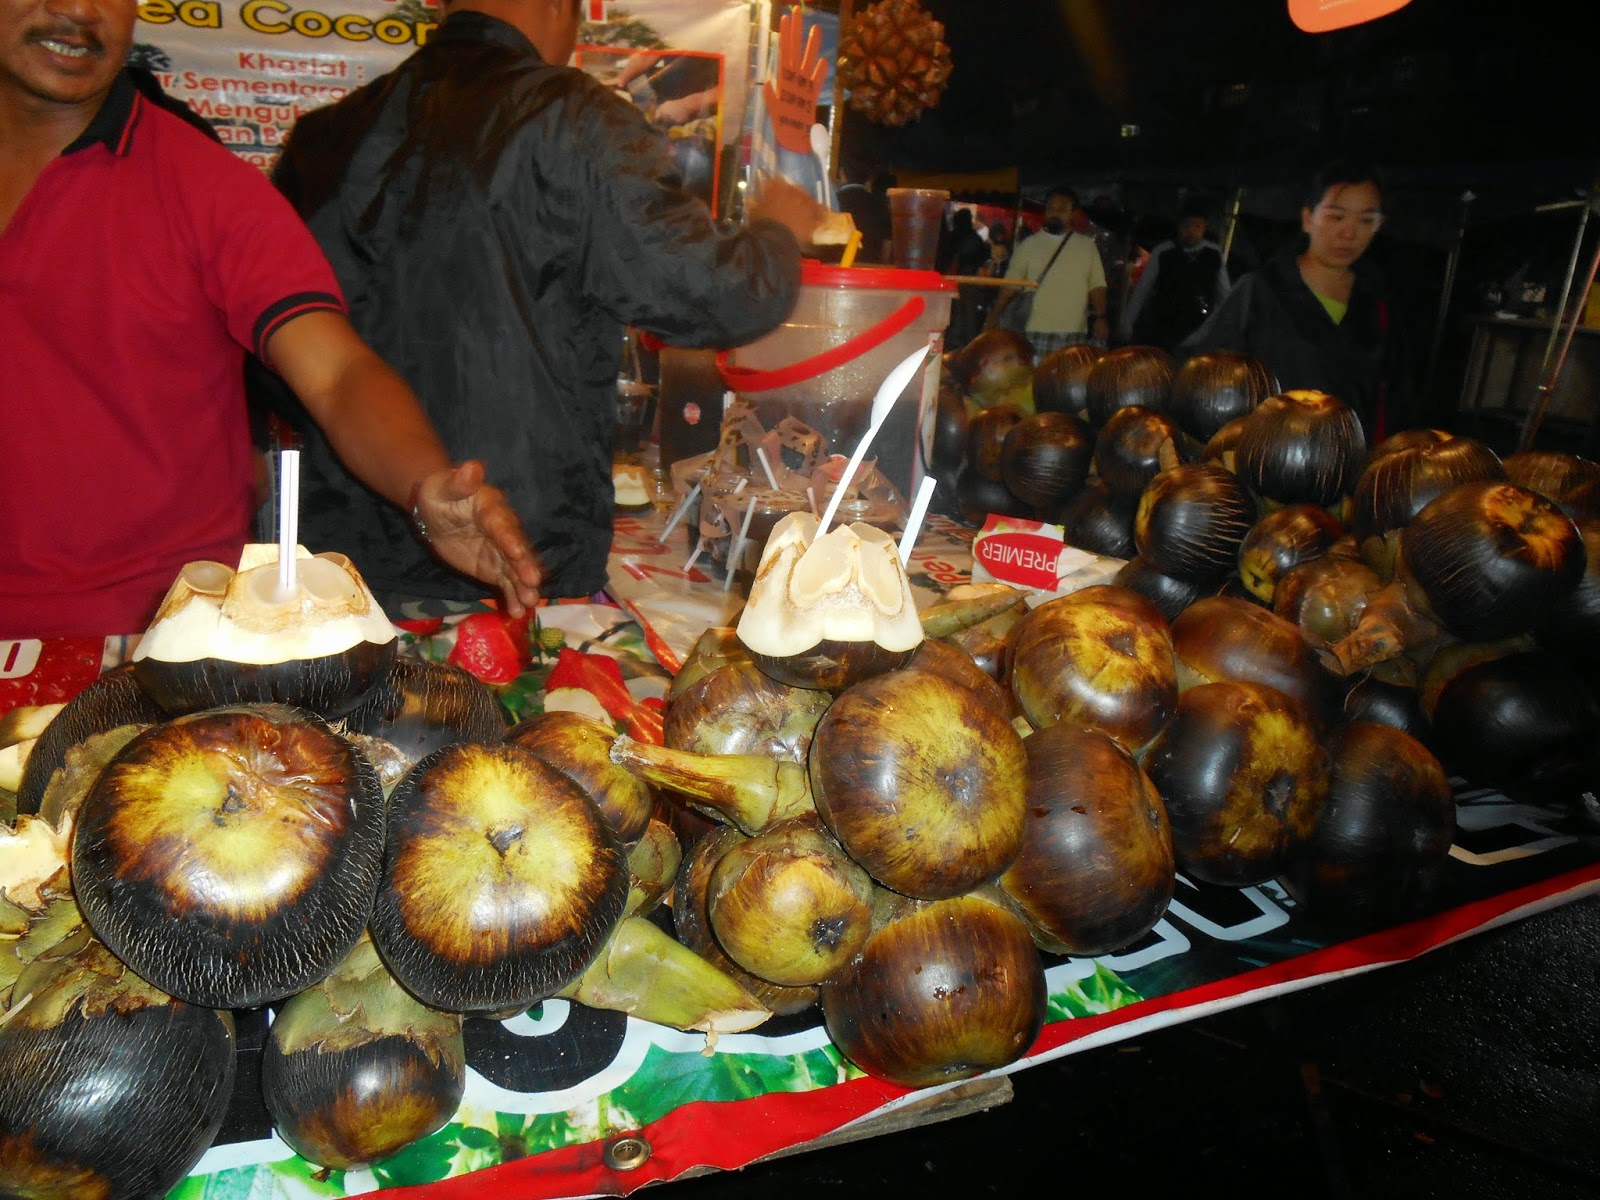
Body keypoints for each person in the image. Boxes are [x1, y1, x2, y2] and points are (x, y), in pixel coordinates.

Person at [0, 0, 543, 639]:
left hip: (145, 638)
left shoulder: (206, 187)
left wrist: (425, 487)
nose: (79, 10)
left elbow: (337, 371)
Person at [267, 0, 824, 610]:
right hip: (515, 562)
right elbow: (717, 296)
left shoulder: (325, 137)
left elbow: (274, 370)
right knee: (541, 707)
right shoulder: (573, 117)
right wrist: (778, 232)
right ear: (564, 8)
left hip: (339, 567)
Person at [1181, 161, 1415, 440]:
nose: (1349, 233)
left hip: (1346, 470)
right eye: (1336, 217)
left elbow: (1396, 403)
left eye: (1365, 220)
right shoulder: (1261, 291)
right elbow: (1200, 372)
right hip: (1264, 461)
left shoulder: (1378, 308)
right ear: (1307, 218)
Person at [991, 186, 1110, 358]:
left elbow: (1097, 285)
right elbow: (1010, 286)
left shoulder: (1087, 247)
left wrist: (1101, 317)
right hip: (1033, 332)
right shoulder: (1028, 246)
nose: (1055, 213)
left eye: (1062, 209)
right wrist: (994, 317)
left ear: (1073, 213)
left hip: (1074, 334)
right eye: (1051, 208)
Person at [1120, 202, 1231, 352]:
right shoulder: (1164, 252)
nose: (1191, 231)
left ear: (1205, 227)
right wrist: (1127, 323)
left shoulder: (1213, 254)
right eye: (1186, 226)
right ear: (1179, 226)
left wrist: (1225, 328)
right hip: (1165, 326)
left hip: (1200, 326)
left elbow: (1224, 295)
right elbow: (1143, 289)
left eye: (1197, 226)